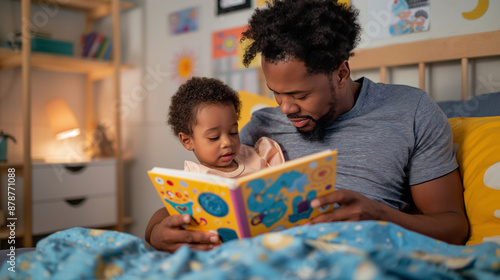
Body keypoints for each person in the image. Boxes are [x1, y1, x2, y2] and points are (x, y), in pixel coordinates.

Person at [238, 0, 468, 245]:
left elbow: (453, 227)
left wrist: (381, 216)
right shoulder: (260, 126)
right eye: (276, 92)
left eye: (300, 96)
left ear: (341, 74)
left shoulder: (412, 111)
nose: (285, 108)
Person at [145, 77, 284, 252]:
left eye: (233, 132)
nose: (227, 142)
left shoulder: (257, 156)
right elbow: (174, 213)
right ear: (187, 141)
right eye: (214, 137)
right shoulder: (193, 178)